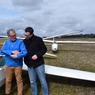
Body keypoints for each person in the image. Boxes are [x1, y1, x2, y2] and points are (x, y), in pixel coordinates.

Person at [1, 29, 27, 95]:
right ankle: (7, 93)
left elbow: (25, 52)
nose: (14, 37)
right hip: (8, 64)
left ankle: (20, 93)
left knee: (19, 80)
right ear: (9, 36)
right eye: (12, 36)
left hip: (17, 65)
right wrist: (11, 52)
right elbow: (1, 51)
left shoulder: (20, 42)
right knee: (8, 80)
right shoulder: (6, 42)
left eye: (15, 35)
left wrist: (17, 56)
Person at [23, 27, 48, 95]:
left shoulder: (38, 39)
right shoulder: (24, 41)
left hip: (39, 64)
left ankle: (45, 93)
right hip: (29, 64)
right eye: (25, 35)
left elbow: (44, 49)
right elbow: (23, 51)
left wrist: (37, 55)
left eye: (27, 35)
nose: (26, 36)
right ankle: (34, 93)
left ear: (31, 34)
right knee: (32, 81)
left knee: (42, 81)